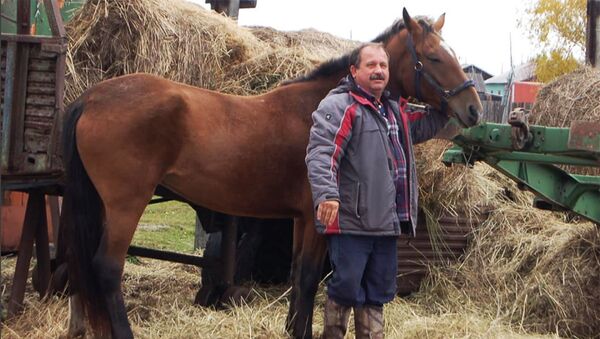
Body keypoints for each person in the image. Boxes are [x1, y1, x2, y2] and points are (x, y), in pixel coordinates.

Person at [305, 42, 449, 339]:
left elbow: (428, 124)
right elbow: (322, 153)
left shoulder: (394, 111)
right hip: (352, 221)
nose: (378, 71)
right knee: (345, 288)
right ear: (354, 70)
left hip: (386, 221)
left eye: (383, 66)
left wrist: (451, 99)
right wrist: (327, 194)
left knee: (378, 292)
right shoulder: (340, 106)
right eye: (371, 65)